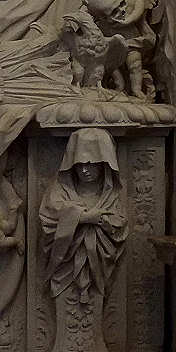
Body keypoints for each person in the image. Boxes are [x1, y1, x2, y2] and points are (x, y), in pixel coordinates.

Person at [39, 128, 127, 304]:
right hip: (64, 270)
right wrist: (82, 217)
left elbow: (119, 224)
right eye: (79, 164)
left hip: (100, 270)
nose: (85, 170)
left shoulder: (111, 197)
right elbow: (48, 218)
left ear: (104, 164)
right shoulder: (59, 191)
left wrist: (102, 221)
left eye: (92, 164)